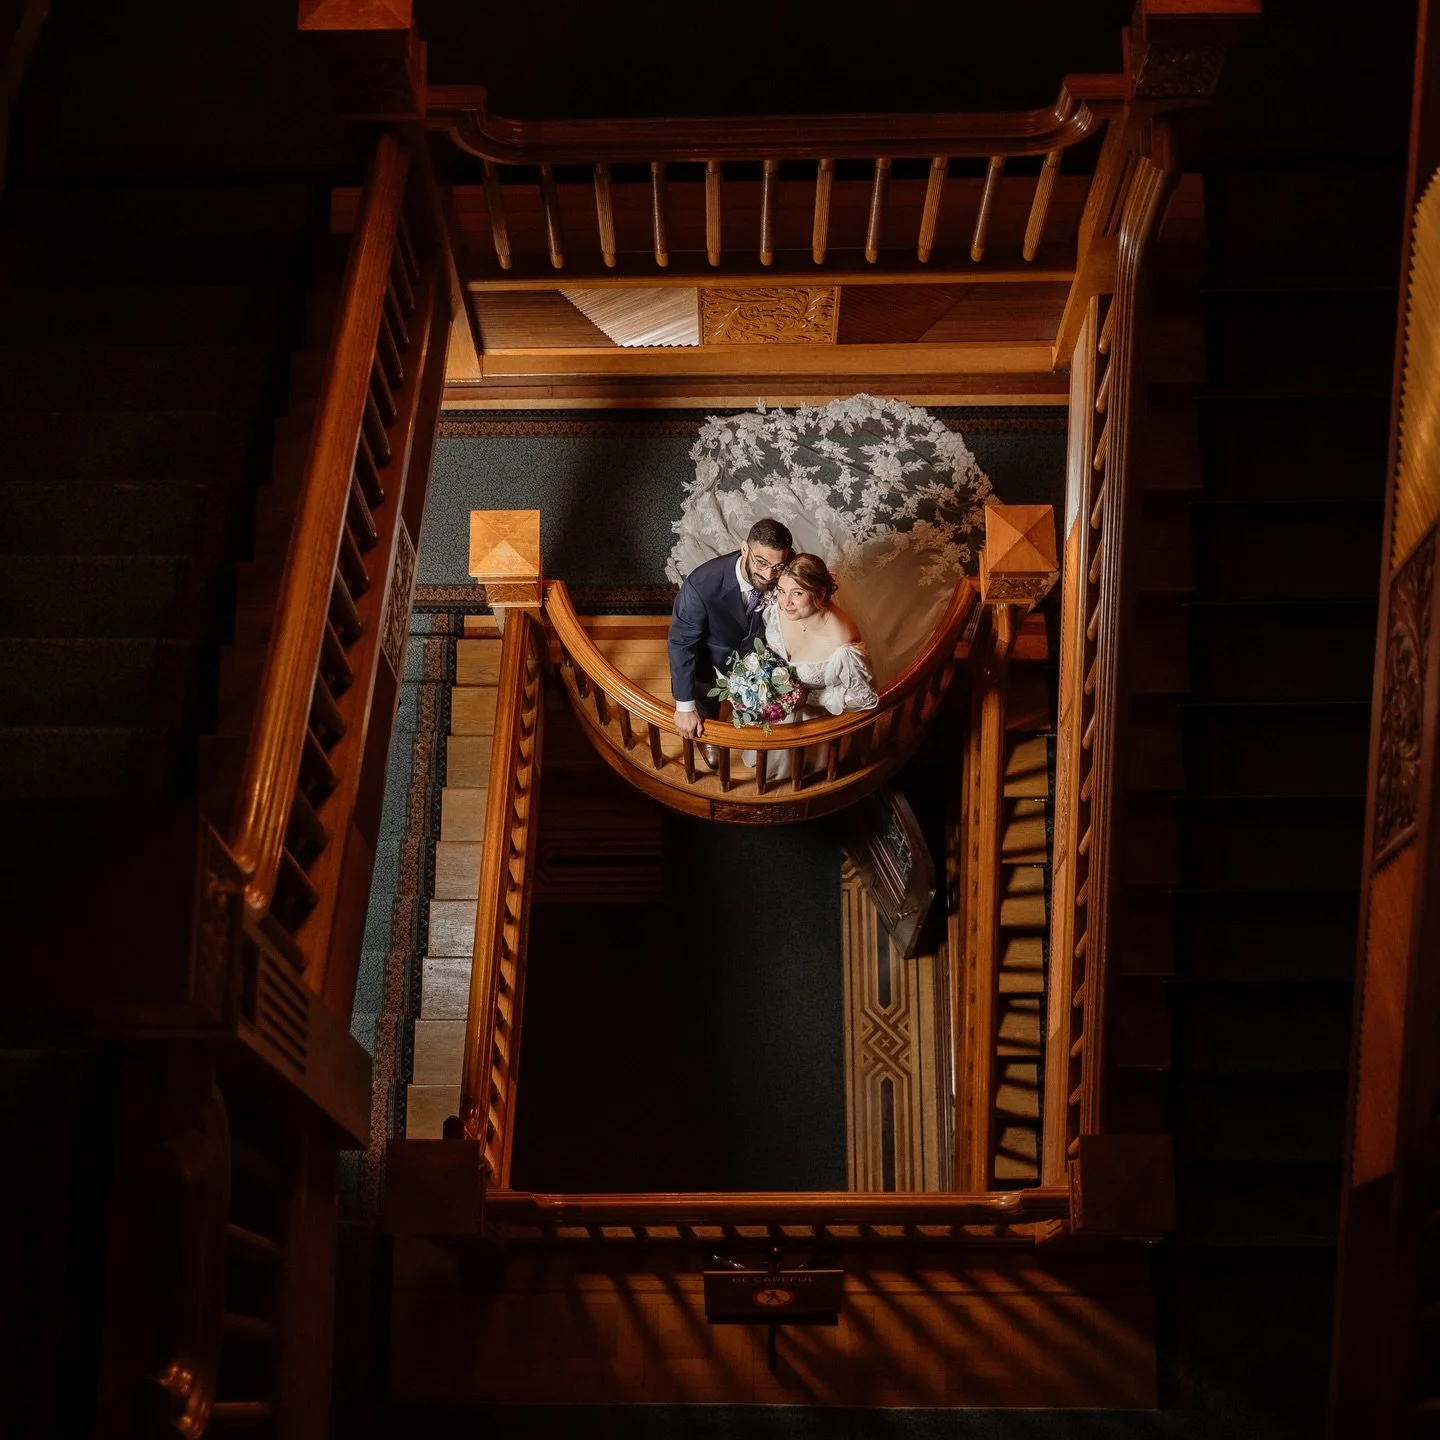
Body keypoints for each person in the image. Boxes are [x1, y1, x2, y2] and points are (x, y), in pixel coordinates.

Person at [667, 517, 793, 743]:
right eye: (761, 562)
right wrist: (685, 708)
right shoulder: (701, 585)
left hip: (759, 662)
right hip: (709, 666)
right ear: (744, 548)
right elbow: (681, 643)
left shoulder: (784, 568)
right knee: (705, 705)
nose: (769, 575)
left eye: (777, 567)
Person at [766, 554, 878, 719]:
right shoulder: (782, 608)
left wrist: (810, 697)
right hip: (772, 706)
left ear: (820, 594)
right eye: (782, 591)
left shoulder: (841, 643)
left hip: (816, 720)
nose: (786, 602)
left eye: (797, 593)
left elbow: (864, 698)